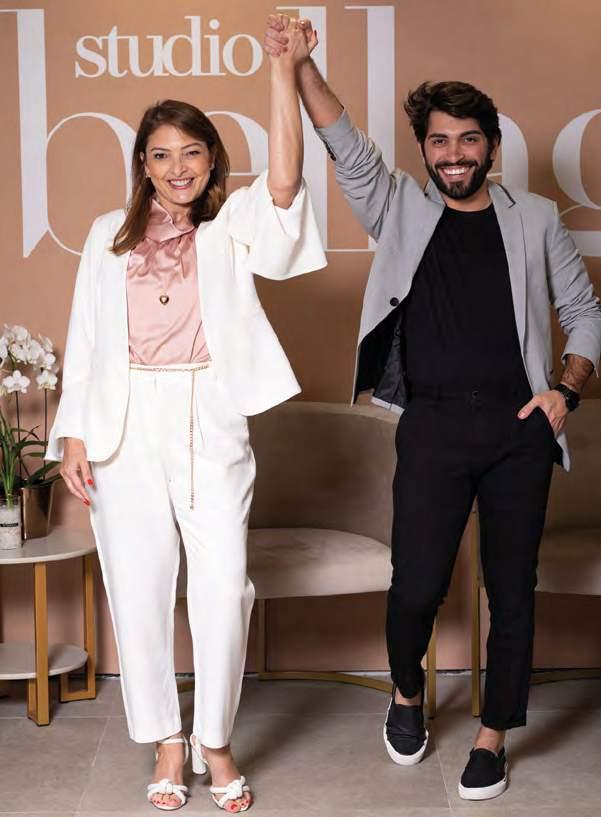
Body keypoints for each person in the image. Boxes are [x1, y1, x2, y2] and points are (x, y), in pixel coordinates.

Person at [264, 17, 601, 801]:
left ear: (492, 146)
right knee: (416, 583)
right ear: (424, 149)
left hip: (519, 427)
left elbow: (584, 311)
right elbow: (345, 145)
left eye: (469, 139)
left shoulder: (536, 218)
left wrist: (565, 390)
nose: (455, 153)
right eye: (440, 141)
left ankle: (493, 734)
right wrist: (303, 65)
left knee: (512, 589)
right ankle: (408, 691)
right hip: (432, 425)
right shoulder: (400, 210)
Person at [46, 18, 325, 813]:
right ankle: (167, 739)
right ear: (143, 163)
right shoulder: (105, 237)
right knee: (137, 588)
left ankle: (215, 739)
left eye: (192, 152)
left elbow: (284, 185)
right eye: (162, 154)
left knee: (222, 587)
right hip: (124, 423)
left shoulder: (230, 225)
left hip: (209, 415)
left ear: (211, 162)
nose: (177, 168)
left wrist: (283, 70)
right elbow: (85, 338)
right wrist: (74, 431)